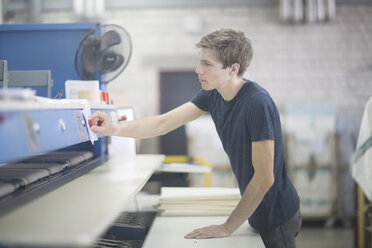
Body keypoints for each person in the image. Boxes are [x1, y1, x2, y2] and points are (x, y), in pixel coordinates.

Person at [89, 28, 301, 248]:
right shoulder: (212, 94)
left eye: (207, 64)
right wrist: (114, 129)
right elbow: (163, 123)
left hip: (278, 217)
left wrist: (227, 227)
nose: (198, 69)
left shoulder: (257, 104)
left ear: (233, 69)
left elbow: (265, 177)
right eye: (200, 61)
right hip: (254, 211)